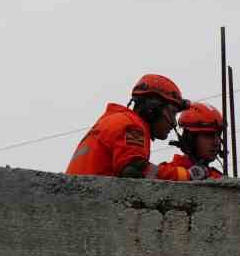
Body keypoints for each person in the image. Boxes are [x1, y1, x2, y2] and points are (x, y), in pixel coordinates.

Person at [66, 74, 196, 179]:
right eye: (172, 113)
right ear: (153, 109)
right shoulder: (132, 126)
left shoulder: (113, 121)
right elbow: (135, 169)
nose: (174, 123)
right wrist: (187, 175)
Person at [160, 102, 226, 180]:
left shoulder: (217, 178)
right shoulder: (165, 175)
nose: (217, 142)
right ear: (190, 139)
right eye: (208, 135)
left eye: (218, 135)